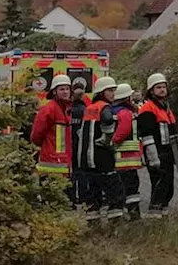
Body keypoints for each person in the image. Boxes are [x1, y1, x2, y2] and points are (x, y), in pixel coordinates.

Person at [79, 76, 124, 222]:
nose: (113, 94)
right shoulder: (104, 107)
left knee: (93, 194)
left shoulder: (90, 108)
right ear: (101, 92)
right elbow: (108, 120)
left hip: (87, 159)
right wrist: (107, 140)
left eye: (113, 90)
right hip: (102, 158)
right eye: (109, 90)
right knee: (114, 191)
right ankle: (116, 223)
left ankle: (94, 224)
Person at [137, 72, 177, 218]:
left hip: (167, 153)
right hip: (157, 154)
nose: (162, 90)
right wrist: (153, 158)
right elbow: (147, 136)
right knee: (160, 185)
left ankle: (163, 215)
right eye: (158, 87)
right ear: (151, 91)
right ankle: (154, 217)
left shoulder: (164, 107)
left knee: (168, 187)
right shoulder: (148, 109)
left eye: (163, 87)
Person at [29, 74, 73, 194]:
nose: (65, 92)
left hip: (63, 162)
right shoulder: (49, 109)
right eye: (61, 89)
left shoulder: (66, 109)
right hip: (51, 162)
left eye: (67, 89)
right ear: (54, 92)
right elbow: (36, 135)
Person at [111, 83, 144, 220]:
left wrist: (112, 143)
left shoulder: (118, 111)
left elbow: (122, 132)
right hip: (127, 157)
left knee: (125, 187)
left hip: (122, 157)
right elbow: (124, 131)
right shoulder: (126, 112)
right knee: (131, 187)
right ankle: (133, 214)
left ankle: (128, 213)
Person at [68, 76, 92, 207]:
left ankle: (71, 198)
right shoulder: (85, 111)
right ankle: (83, 197)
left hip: (69, 145)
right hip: (82, 146)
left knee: (71, 173)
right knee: (82, 173)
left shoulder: (68, 110)